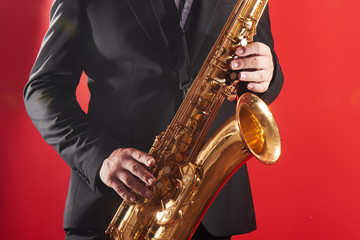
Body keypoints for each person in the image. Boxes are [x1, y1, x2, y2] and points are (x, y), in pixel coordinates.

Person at [24, 0, 283, 239]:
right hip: (115, 212)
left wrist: (267, 75)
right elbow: (43, 90)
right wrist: (101, 158)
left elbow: (258, 69)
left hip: (208, 215)